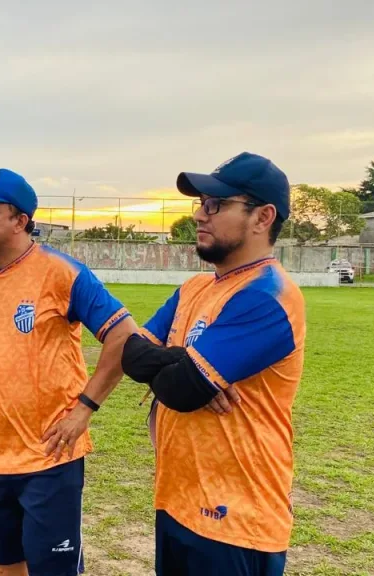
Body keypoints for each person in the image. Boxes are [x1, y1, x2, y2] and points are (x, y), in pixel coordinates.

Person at [0, 168, 138, 576]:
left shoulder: (62, 273)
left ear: (20, 221)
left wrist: (84, 409)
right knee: (5, 563)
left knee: (53, 570)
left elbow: (123, 336)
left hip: (51, 455)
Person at [120, 152, 306, 576]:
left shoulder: (269, 295)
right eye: (201, 203)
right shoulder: (196, 287)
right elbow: (132, 355)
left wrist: (181, 369)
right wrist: (186, 362)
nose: (201, 216)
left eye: (217, 205)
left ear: (263, 217)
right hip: (177, 500)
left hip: (236, 519)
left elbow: (179, 391)